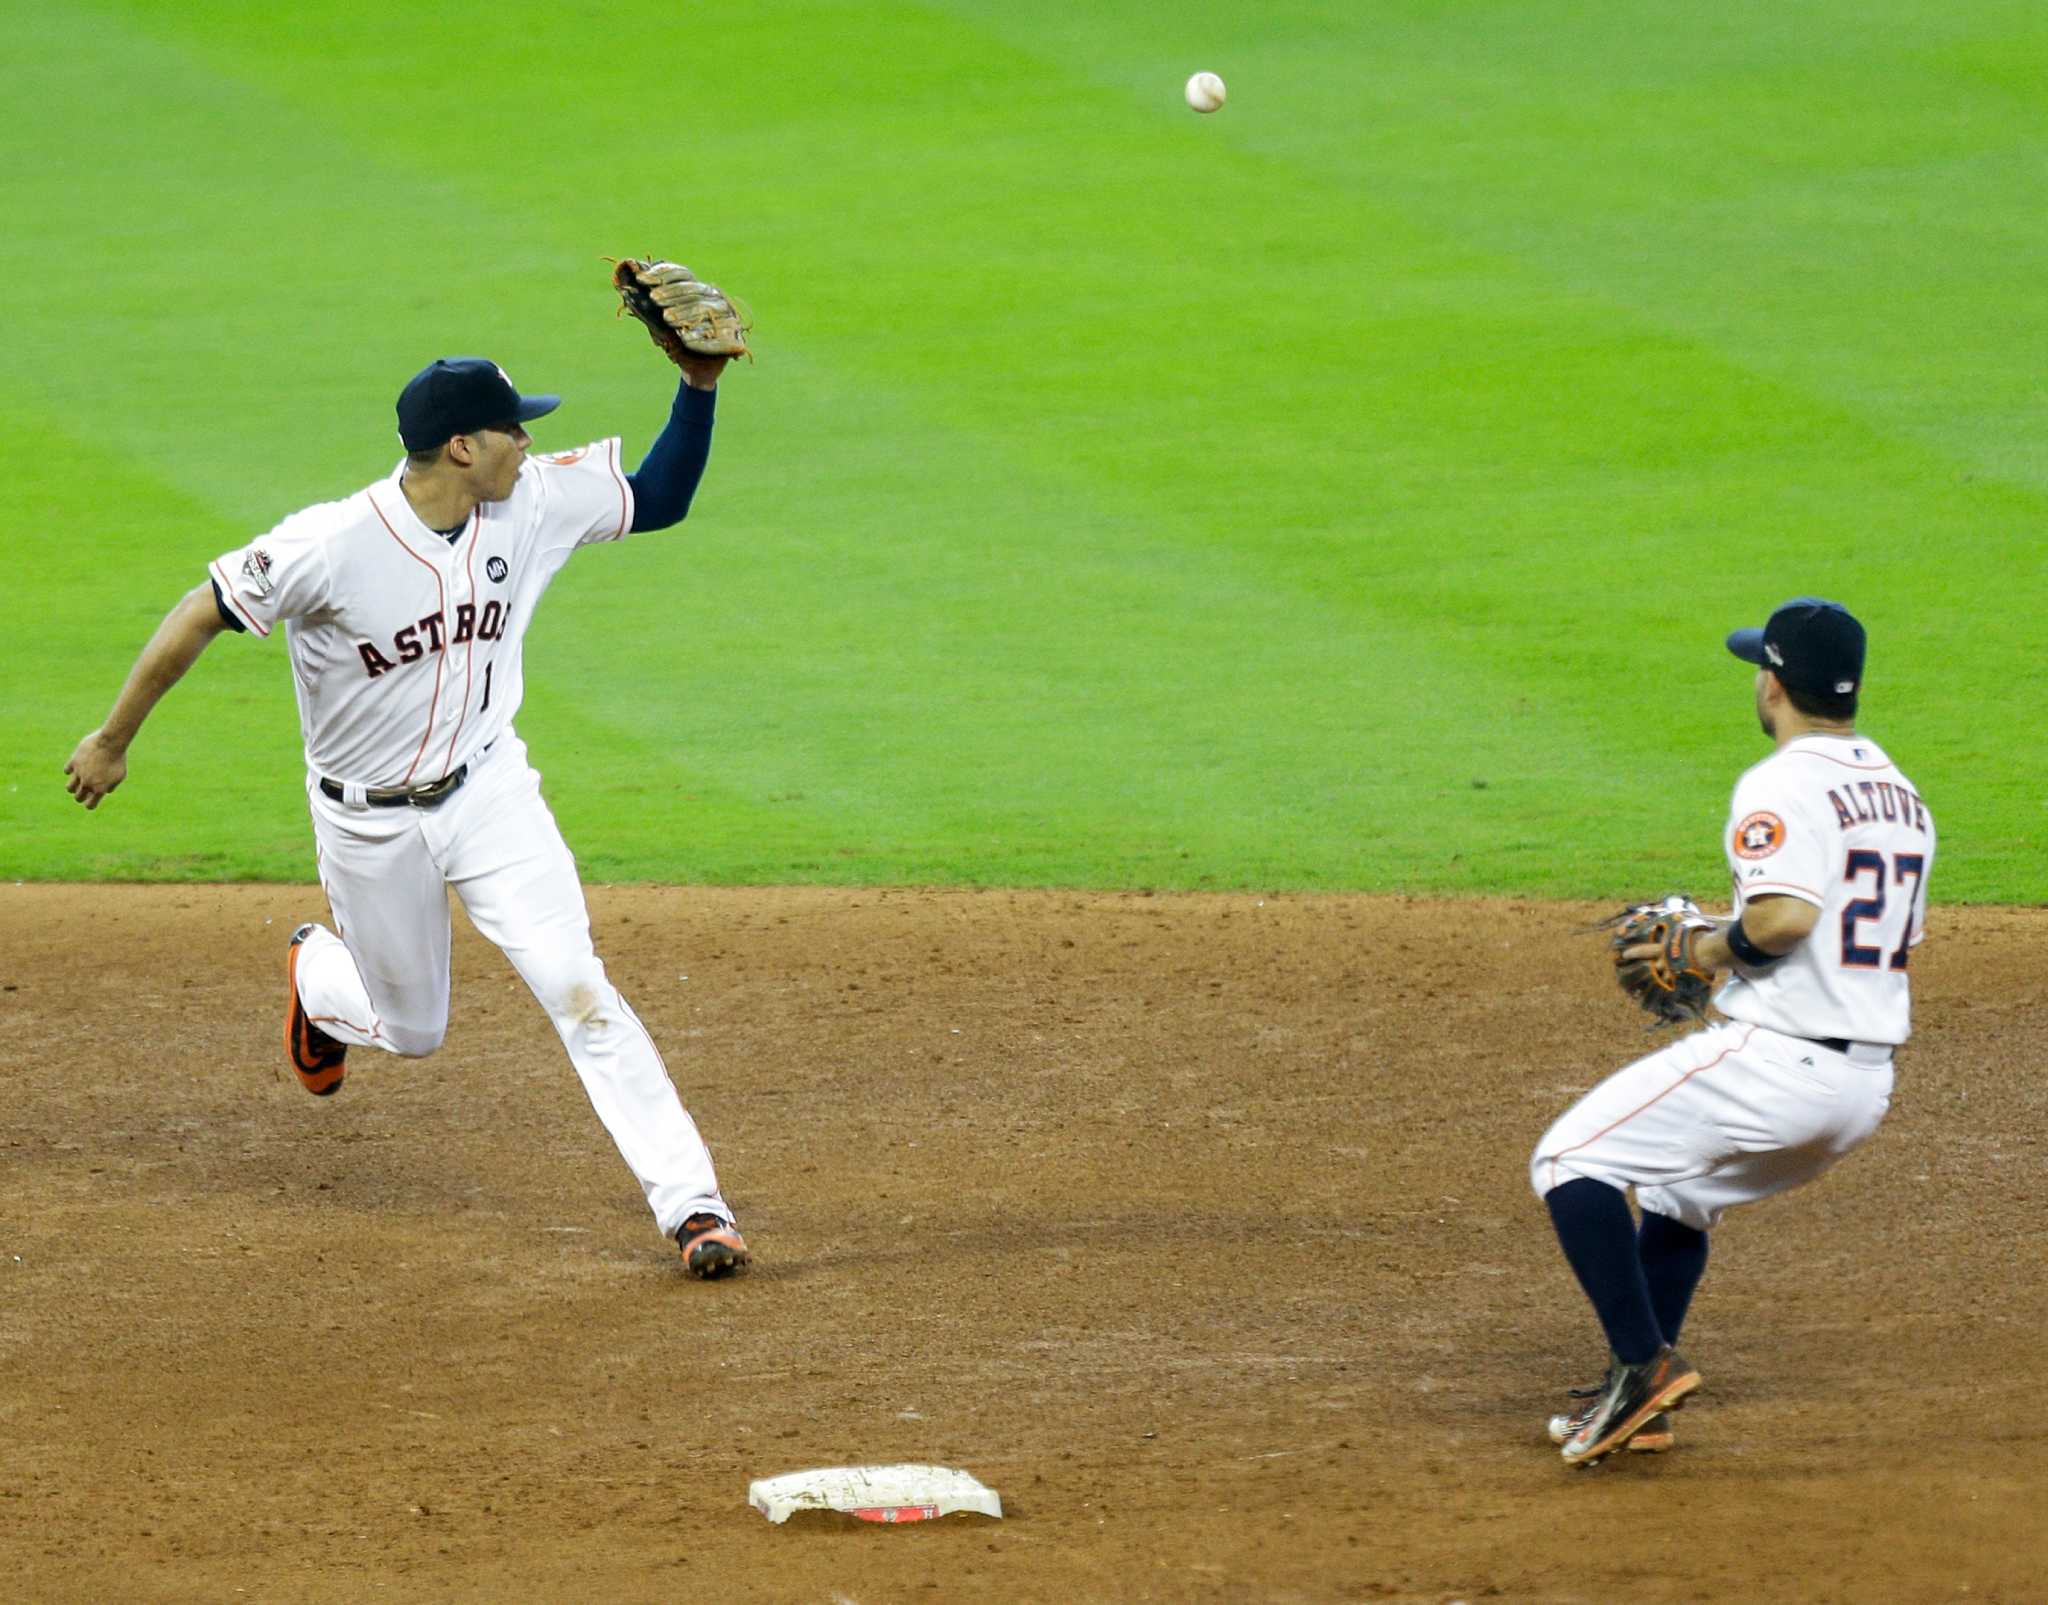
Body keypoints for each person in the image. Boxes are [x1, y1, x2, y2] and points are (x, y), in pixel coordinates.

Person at [64, 317, 751, 1280]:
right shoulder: (333, 544)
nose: (530, 440)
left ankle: (695, 1208)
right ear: (464, 448)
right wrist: (112, 738)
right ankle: (317, 975)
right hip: (367, 820)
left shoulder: (531, 500)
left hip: (490, 792)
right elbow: (203, 609)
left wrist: (698, 387)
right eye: (513, 427)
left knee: (577, 984)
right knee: (413, 1031)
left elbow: (661, 496)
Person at [1530, 598, 1934, 1464]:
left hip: (1779, 1066)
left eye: (1762, 667)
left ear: (1775, 683)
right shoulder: (1901, 794)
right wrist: (1723, 930)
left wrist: (1706, 947)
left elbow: (1786, 918)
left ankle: (1644, 1365)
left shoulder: (1782, 779)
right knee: (1684, 1193)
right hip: (1862, 1089)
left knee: (1568, 1161)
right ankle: (1636, 1396)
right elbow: (1844, 934)